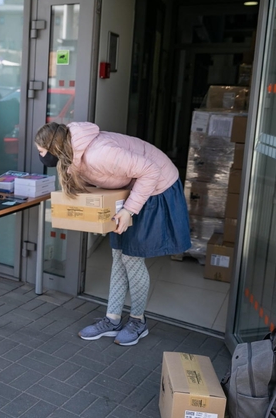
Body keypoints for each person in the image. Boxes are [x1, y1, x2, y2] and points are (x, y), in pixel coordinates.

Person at [35, 121, 191, 346]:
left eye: (41, 151)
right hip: (134, 188)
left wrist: (129, 210)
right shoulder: (73, 156)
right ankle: (112, 319)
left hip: (157, 187)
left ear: (54, 147)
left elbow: (151, 171)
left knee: (132, 257)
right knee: (118, 254)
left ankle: (138, 321)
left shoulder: (100, 154)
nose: (40, 155)